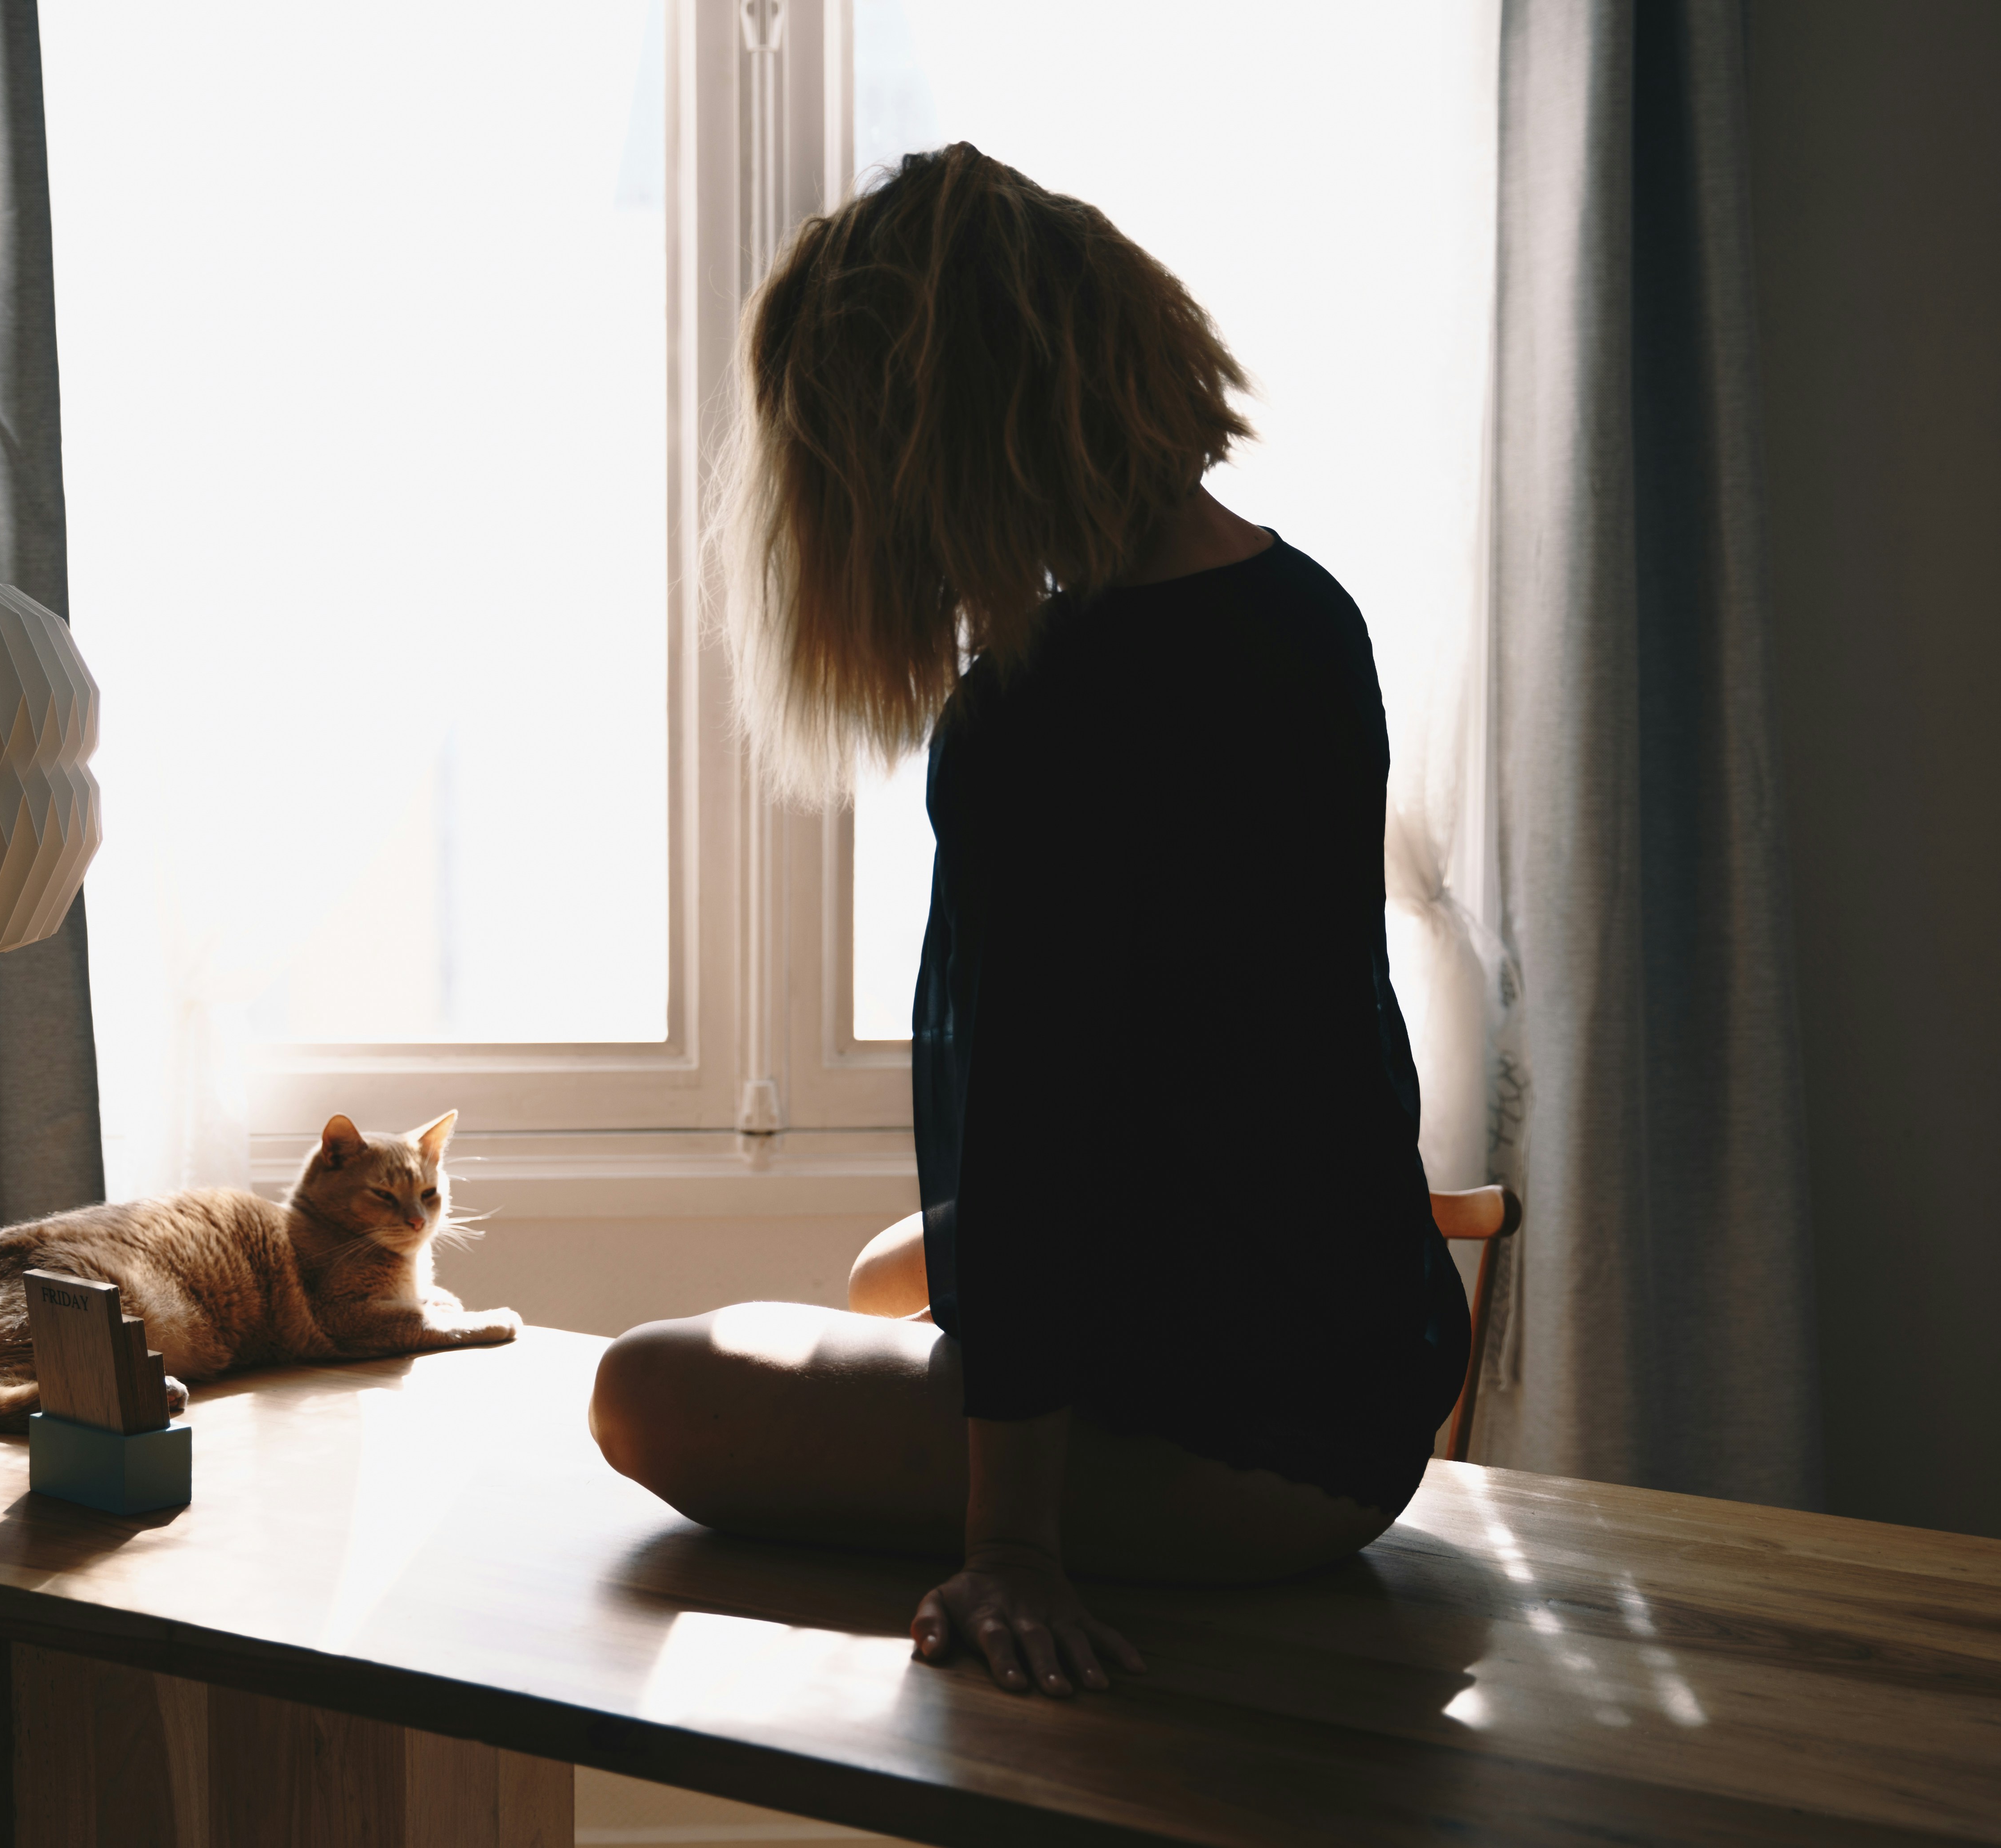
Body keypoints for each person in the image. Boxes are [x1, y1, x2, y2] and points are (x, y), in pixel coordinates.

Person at [586, 144, 1471, 1700]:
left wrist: (1015, 1551)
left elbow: (1033, 1128)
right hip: (1370, 1355)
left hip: (1251, 1456)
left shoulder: (1044, 712)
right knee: (881, 1276)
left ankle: (1048, 1494)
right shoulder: (1307, 610)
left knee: (640, 1391)